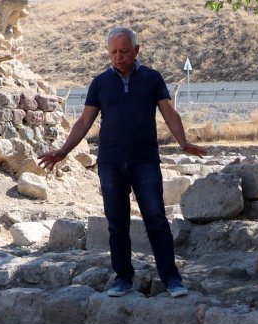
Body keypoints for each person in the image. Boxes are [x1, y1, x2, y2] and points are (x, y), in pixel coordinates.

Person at [39, 26, 207, 298]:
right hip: (110, 163)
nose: (118, 57)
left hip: (145, 162)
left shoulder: (152, 78)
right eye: (113, 52)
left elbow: (169, 112)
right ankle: (123, 278)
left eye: (124, 51)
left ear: (136, 50)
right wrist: (62, 151)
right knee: (117, 223)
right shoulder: (100, 83)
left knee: (156, 220)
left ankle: (171, 279)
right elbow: (84, 121)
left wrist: (183, 142)